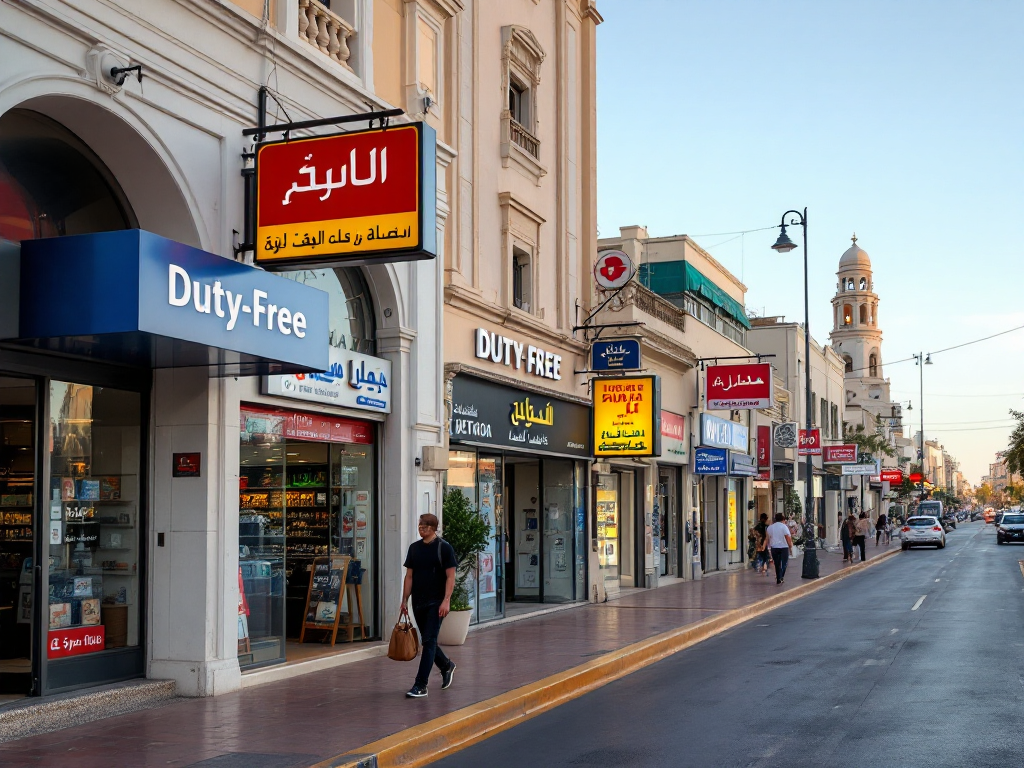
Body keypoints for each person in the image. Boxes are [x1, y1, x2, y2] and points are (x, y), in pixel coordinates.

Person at [401, 513, 457, 698]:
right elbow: (409, 576)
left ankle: (421, 685)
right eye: (419, 526)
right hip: (419, 601)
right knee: (428, 640)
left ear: (433, 528)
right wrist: (404, 600)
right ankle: (446, 665)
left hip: (437, 602)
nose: (421, 530)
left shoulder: (444, 548)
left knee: (429, 641)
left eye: (425, 527)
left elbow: (450, 577)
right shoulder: (414, 548)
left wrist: (446, 601)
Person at [766, 513, 793, 584]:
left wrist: (768, 547)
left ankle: (778, 577)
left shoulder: (770, 527)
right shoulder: (784, 527)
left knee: (777, 564)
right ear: (783, 519)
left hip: (774, 548)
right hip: (783, 547)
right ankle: (781, 577)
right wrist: (790, 546)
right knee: (784, 563)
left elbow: (768, 538)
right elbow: (787, 537)